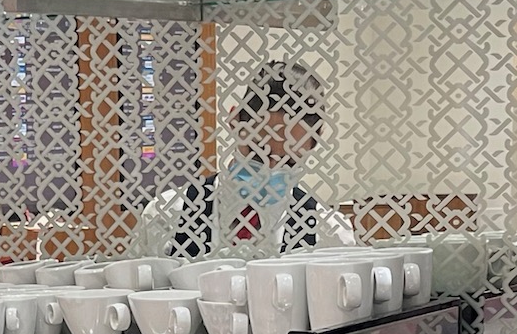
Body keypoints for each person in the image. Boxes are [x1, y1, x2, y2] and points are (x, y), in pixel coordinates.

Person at [138, 59, 357, 259]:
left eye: (289, 162)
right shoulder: (165, 216)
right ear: (235, 120)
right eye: (258, 153)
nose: (270, 169)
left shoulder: (328, 233)